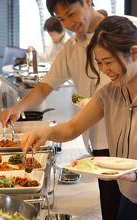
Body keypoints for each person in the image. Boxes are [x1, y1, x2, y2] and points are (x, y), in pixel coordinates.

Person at [21, 15, 137, 220]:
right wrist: (43, 133)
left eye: (108, 62)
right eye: (99, 63)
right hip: (128, 196)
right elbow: (73, 127)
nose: (104, 70)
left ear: (134, 53)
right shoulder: (109, 93)